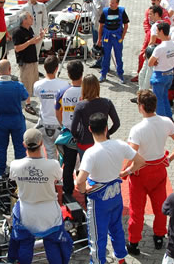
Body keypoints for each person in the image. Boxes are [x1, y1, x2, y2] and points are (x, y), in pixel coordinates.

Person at [76, 113, 144, 264]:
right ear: (106, 128)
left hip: (98, 199)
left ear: (90, 129)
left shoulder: (91, 153)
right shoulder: (120, 145)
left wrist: (85, 189)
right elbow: (140, 161)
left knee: (97, 237)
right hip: (115, 194)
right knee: (116, 228)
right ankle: (121, 256)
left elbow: (79, 181)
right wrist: (125, 172)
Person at [8, 128, 73, 264]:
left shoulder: (15, 165)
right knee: (52, 243)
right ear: (41, 143)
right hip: (48, 211)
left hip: (27, 211)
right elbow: (58, 180)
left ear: (24, 144)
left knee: (25, 242)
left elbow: (12, 180)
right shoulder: (53, 165)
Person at [126, 90, 174, 254]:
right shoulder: (166, 122)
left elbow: (133, 156)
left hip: (141, 173)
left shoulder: (137, 129)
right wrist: (169, 159)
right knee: (160, 206)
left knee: (137, 210)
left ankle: (134, 242)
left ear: (142, 107)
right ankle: (159, 236)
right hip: (159, 170)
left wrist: (126, 171)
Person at [0, 59, 29, 176]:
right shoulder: (18, 86)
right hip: (16, 120)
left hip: (0, 120)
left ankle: (0, 173)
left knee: (0, 148)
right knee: (20, 148)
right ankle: (20, 173)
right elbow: (25, 97)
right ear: (10, 70)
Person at [71, 75, 120, 155]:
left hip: (85, 143)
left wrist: (78, 137)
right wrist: (107, 133)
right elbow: (117, 123)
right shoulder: (107, 102)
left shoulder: (80, 105)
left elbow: (73, 128)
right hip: (103, 142)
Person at [55, 61, 84, 197]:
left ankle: (67, 192)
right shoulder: (87, 91)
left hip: (68, 134)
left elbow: (58, 112)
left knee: (68, 164)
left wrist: (64, 124)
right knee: (85, 163)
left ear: (68, 74)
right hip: (85, 134)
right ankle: (84, 189)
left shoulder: (62, 91)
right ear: (82, 74)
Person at [33, 55, 69, 160]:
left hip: (44, 123)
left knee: (50, 153)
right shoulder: (64, 85)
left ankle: (52, 174)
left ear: (44, 67)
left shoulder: (37, 84)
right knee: (63, 153)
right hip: (59, 124)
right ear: (57, 68)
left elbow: (37, 96)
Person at [13, 11, 44, 115]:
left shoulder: (29, 29)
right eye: (30, 17)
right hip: (25, 61)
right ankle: (27, 104)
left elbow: (34, 41)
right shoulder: (17, 32)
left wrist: (41, 36)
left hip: (33, 59)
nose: (32, 18)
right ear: (24, 20)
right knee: (25, 82)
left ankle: (28, 100)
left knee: (33, 81)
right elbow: (17, 48)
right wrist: (29, 42)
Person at [135, 5, 170, 94]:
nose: (148, 16)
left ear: (157, 14)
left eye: (150, 14)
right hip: (160, 52)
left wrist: (146, 52)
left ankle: (143, 94)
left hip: (152, 53)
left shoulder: (155, 26)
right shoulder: (166, 23)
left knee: (145, 74)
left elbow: (152, 41)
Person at [147, 21, 174, 118]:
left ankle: (162, 122)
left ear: (161, 31)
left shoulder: (160, 48)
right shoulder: (173, 45)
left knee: (158, 100)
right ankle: (169, 118)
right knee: (164, 98)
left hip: (160, 76)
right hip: (169, 75)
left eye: (157, 31)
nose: (156, 33)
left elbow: (150, 62)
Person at [132, 0, 165, 82]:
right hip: (149, 36)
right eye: (151, 0)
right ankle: (140, 74)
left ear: (159, 0)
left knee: (156, 58)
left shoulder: (163, 12)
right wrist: (148, 32)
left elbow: (166, 24)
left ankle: (152, 77)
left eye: (154, 0)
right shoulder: (148, 10)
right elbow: (146, 22)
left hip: (158, 38)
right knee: (141, 56)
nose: (152, 2)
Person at [98, 0, 130, 83]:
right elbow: (100, 26)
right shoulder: (105, 11)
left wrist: (122, 37)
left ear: (117, 3)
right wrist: (99, 39)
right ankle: (103, 74)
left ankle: (120, 74)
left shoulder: (121, 11)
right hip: (107, 37)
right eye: (110, 2)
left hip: (117, 37)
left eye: (113, 3)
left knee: (118, 57)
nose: (111, 4)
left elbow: (126, 24)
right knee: (105, 57)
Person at [89, 0, 110, 68]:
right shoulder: (94, 0)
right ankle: (98, 62)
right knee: (96, 45)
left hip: (102, 26)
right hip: (94, 25)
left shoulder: (104, 0)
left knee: (104, 46)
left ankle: (105, 65)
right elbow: (88, 9)